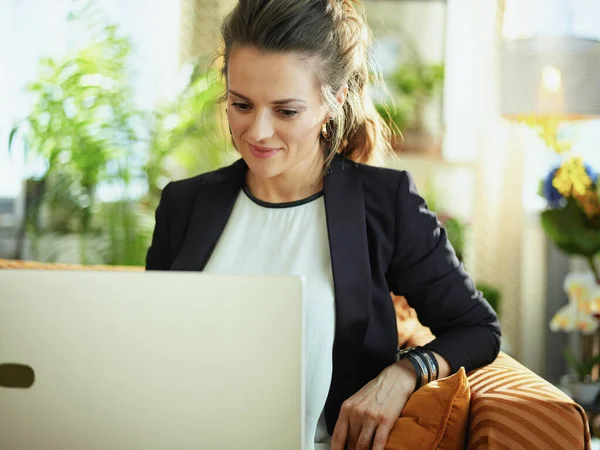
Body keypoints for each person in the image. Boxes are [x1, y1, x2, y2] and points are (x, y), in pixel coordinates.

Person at [146, 1, 501, 449]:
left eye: (286, 111)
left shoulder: (385, 204)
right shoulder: (184, 204)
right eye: (241, 104)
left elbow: (477, 329)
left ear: (332, 100)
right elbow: (154, 347)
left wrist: (404, 372)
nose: (257, 132)